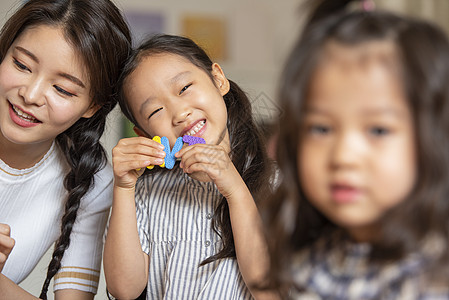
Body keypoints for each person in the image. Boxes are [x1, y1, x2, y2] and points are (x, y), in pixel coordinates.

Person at [262, 0, 449, 298]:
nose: (343, 157)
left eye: (378, 130)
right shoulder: (311, 257)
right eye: (321, 129)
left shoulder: (433, 279)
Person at [103, 34, 277, 300]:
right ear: (144, 133)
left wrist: (234, 189)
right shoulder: (145, 192)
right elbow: (124, 289)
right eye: (155, 111)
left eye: (184, 88)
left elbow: (270, 290)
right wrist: (124, 187)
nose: (179, 113)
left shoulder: (281, 184)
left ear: (218, 79)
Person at [0, 0, 131, 299]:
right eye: (21, 65)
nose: (30, 95)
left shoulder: (91, 181)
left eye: (62, 89)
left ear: (93, 106)